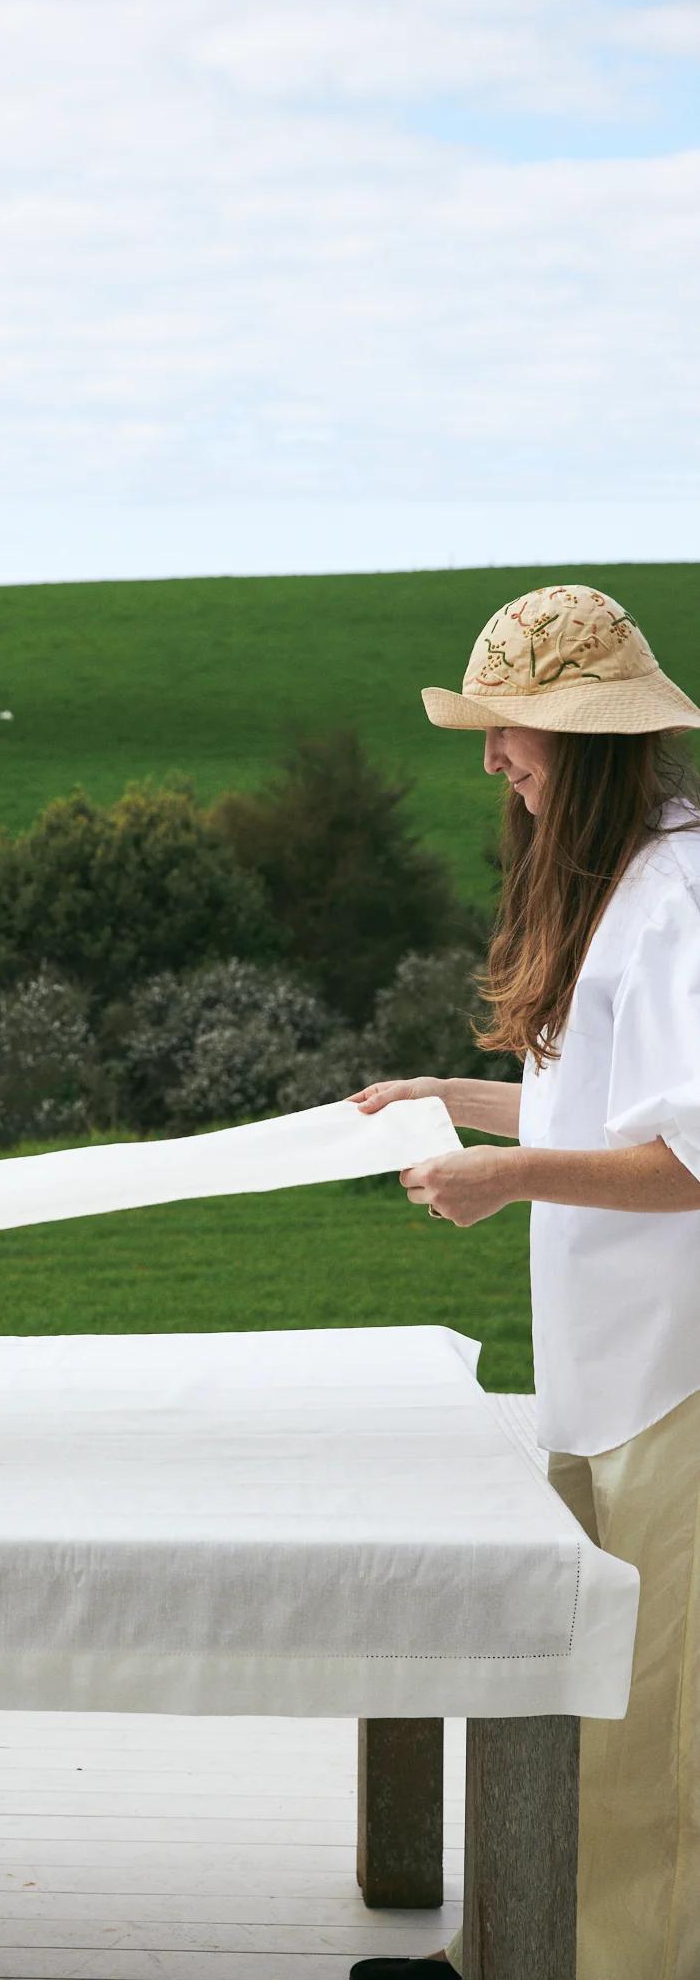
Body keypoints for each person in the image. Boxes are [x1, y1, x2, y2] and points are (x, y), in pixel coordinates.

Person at [345, 584, 700, 1980]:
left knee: (648, 1724)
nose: (491, 757)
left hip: (679, 1373)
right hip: (606, 1371)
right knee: (572, 1697)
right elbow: (599, 1111)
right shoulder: (613, 881)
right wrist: (459, 1103)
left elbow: (686, 1157)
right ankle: (517, 1950)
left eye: (515, 731)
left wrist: (505, 1181)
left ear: (591, 739)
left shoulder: (678, 895)